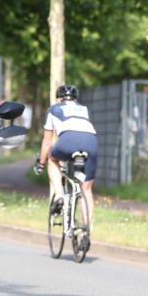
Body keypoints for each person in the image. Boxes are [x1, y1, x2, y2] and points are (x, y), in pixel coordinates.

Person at [34, 84, 99, 238]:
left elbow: (47, 141)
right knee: (87, 189)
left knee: (52, 159)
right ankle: (86, 233)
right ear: (75, 99)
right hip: (91, 142)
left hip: (68, 140)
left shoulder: (54, 109)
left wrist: (40, 164)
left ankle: (59, 196)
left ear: (58, 99)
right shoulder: (84, 109)